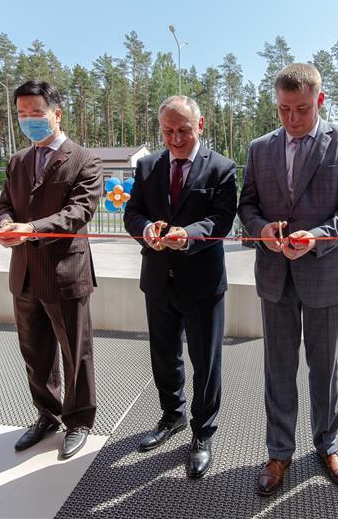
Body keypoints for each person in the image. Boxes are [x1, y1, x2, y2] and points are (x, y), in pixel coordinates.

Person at [238, 63, 338, 497]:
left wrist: (315, 236)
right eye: (283, 110)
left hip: (327, 273)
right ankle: (279, 452)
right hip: (275, 275)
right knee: (278, 368)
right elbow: (249, 204)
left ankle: (327, 445)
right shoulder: (260, 148)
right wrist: (262, 231)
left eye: (301, 109)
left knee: (325, 367)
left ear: (320, 99)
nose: (292, 119)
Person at [123, 95, 237, 479]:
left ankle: (202, 432)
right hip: (157, 279)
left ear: (200, 126)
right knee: (164, 355)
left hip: (202, 282)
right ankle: (172, 416)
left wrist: (186, 235)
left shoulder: (221, 168)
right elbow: (132, 213)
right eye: (168, 131)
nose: (175, 138)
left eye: (183, 130)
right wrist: (146, 229)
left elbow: (222, 220)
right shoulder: (147, 167)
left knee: (205, 362)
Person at [0, 80, 102, 460]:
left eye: (35, 114)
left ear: (56, 113)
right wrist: (6, 224)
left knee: (76, 352)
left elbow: (78, 212)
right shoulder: (18, 160)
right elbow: (5, 203)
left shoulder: (84, 159)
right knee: (35, 353)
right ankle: (47, 415)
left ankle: (79, 420)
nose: (29, 121)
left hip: (65, 272)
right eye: (22, 115)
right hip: (23, 273)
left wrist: (32, 229)